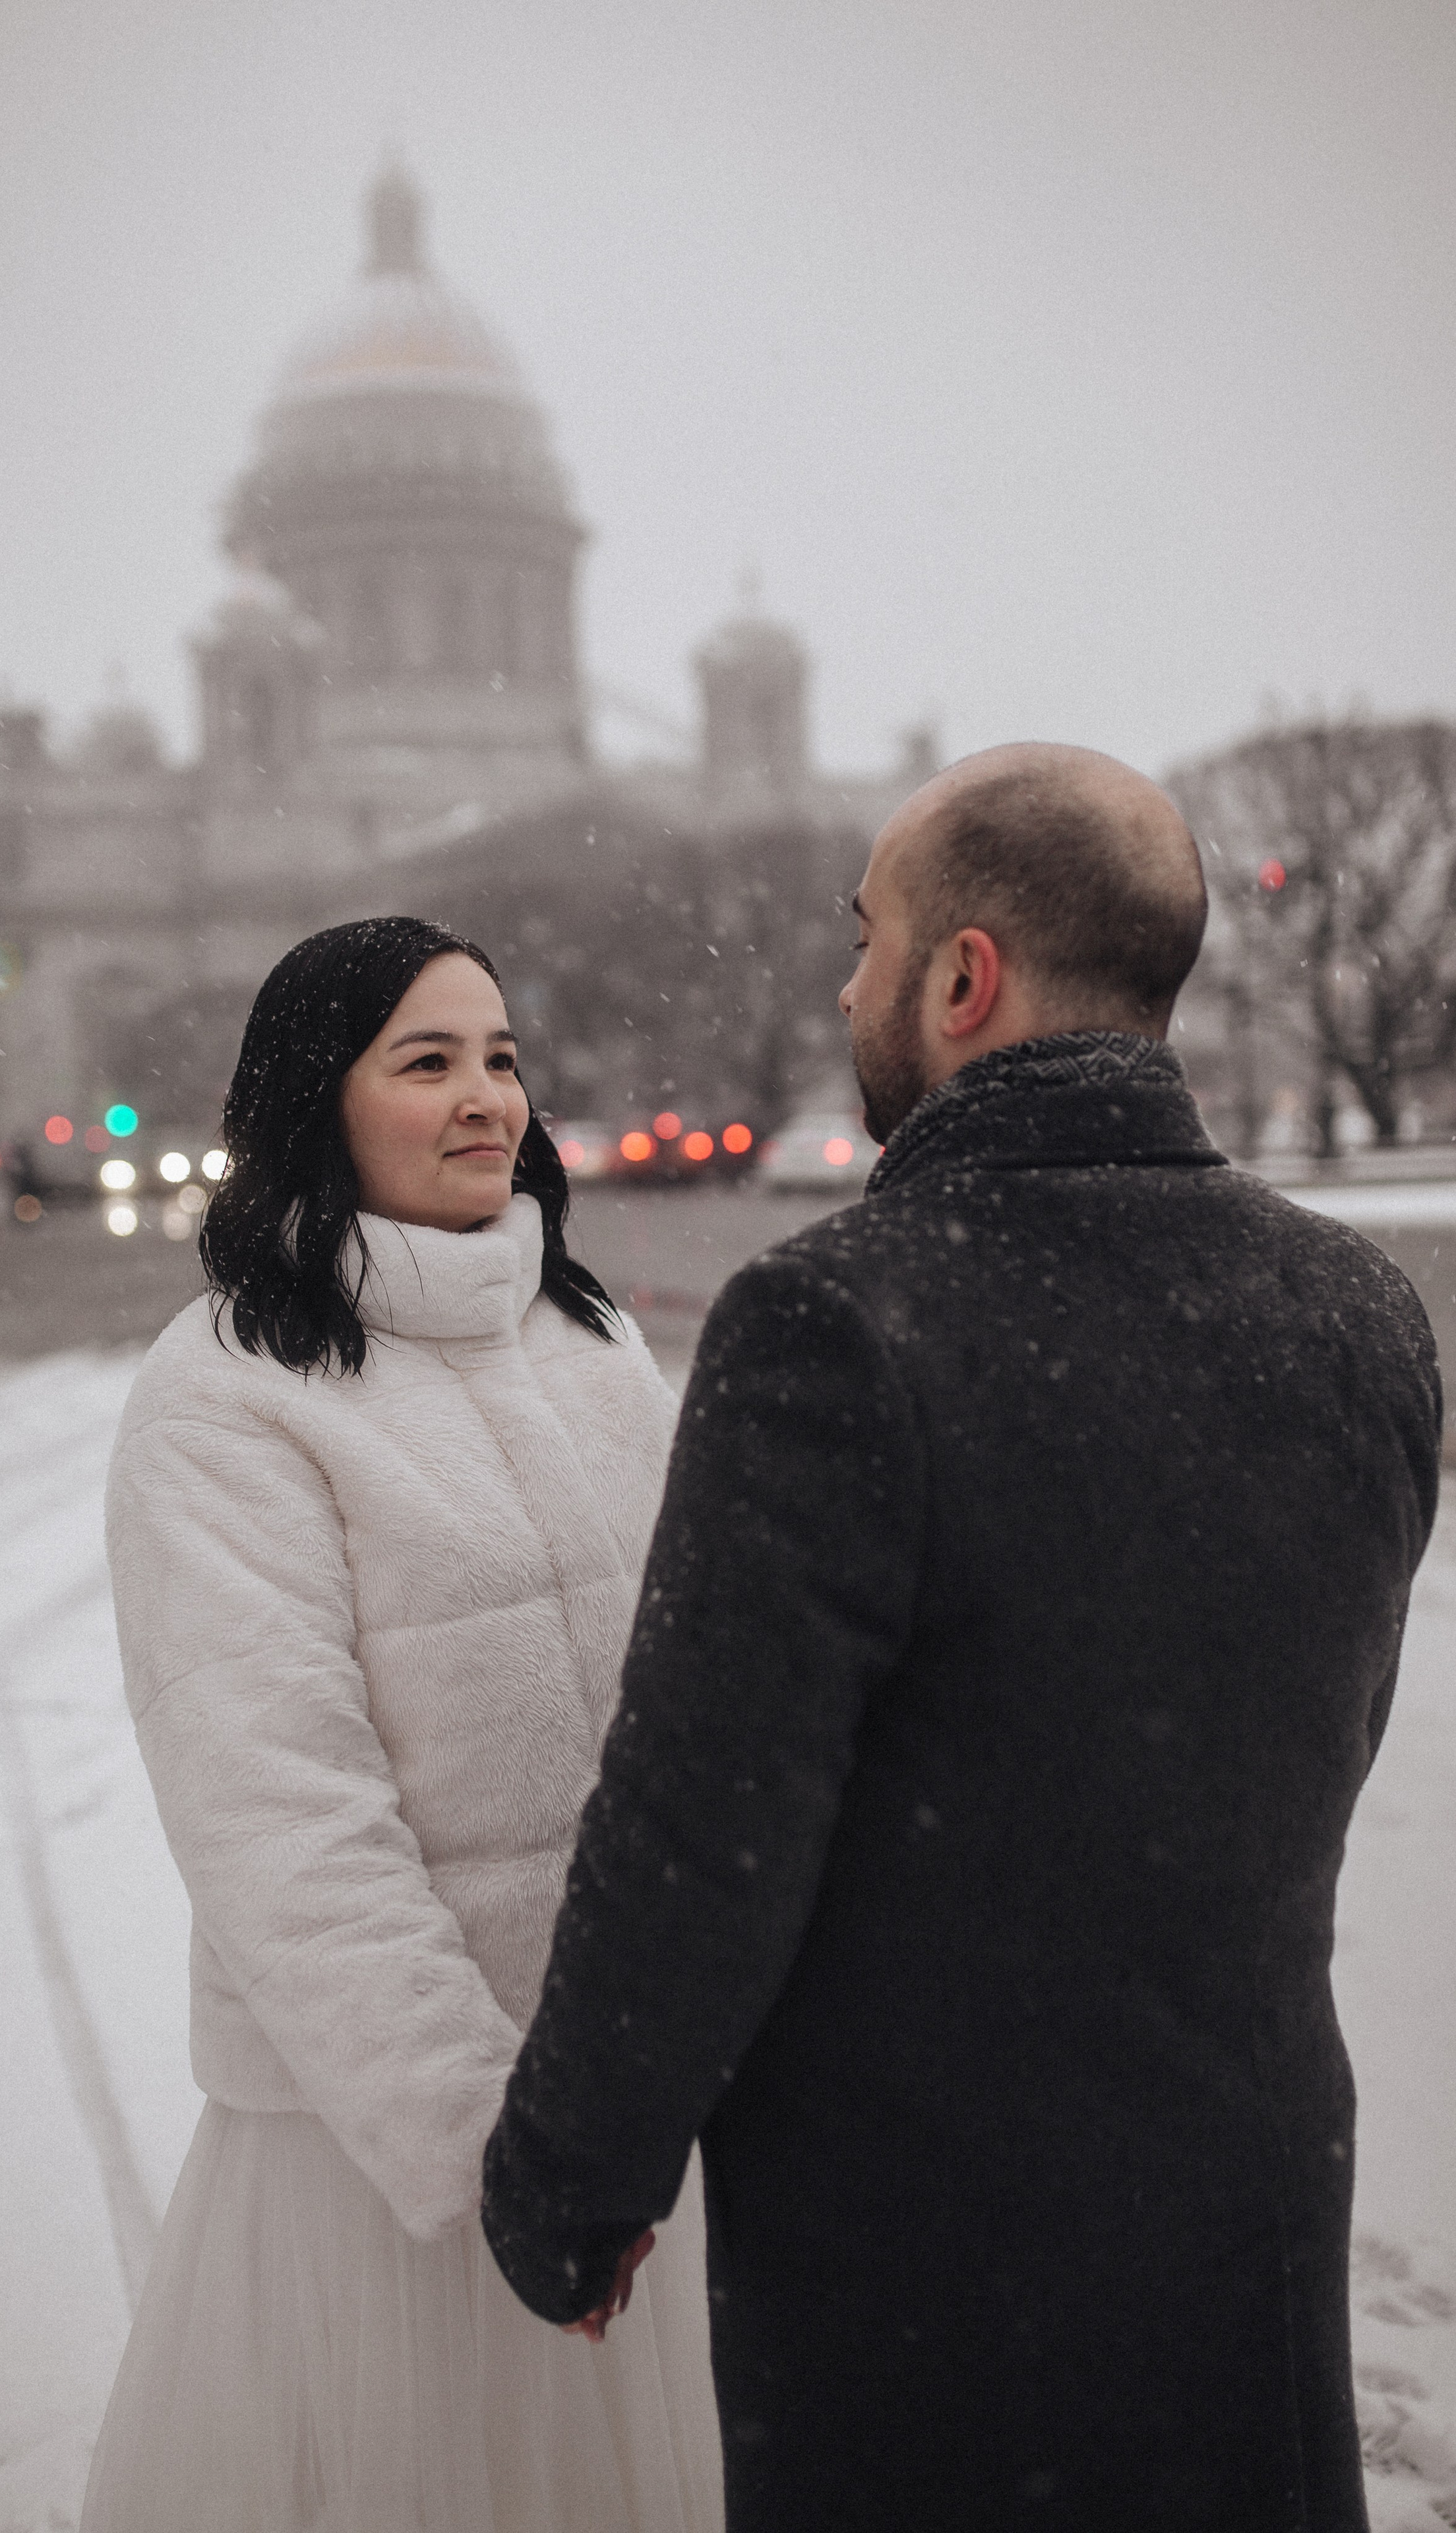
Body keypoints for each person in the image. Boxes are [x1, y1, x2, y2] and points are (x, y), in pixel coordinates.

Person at [482, 745, 1443, 2531]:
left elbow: (701, 1831)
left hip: (930, 2267)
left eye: (866, 942)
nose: (846, 987)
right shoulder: (1362, 1314)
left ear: (962, 979)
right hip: (1249, 2199)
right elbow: (1310, 1742)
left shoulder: (834, 1324)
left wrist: (573, 2183)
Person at [82, 917, 723, 2533]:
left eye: (500, 1058)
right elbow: (281, 1818)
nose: (484, 1098)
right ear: (319, 1099)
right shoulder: (227, 1395)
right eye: (425, 1061)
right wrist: (482, 2141)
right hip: (390, 2172)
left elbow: (705, 1708)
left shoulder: (591, 1340)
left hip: (632, 2121)